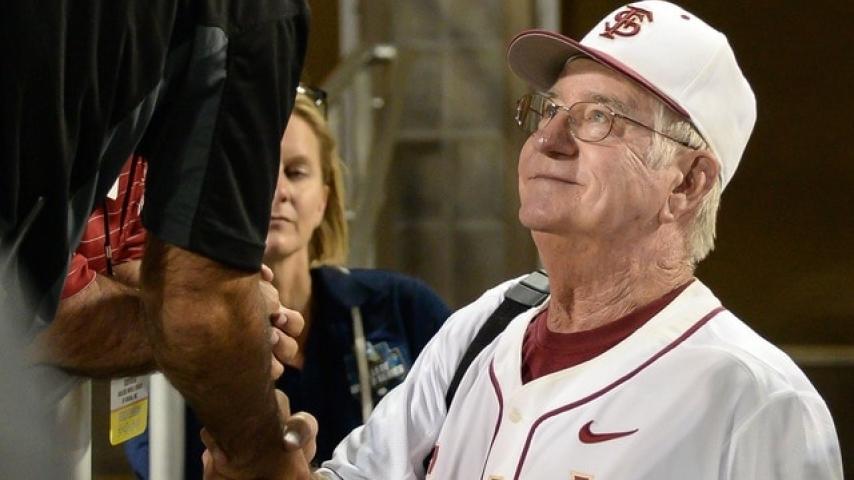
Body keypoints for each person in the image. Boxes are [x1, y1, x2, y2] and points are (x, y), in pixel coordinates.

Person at [200, 2, 844, 479]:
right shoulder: (482, 328)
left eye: (599, 117)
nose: (548, 140)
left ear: (687, 182)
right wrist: (263, 457)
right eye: (550, 109)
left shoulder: (758, 404)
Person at [1, 2, 315, 478]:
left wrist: (239, 326)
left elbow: (137, 259)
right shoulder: (250, 14)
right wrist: (262, 448)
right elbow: (201, 313)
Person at [129, 89, 451, 478]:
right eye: (256, 169)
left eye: (296, 172)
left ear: (323, 199)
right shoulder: (181, 330)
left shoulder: (404, 308)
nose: (277, 191)